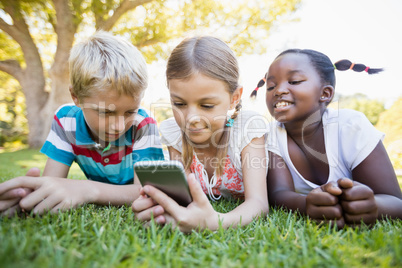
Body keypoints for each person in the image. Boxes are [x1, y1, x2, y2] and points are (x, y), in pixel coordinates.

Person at [0, 31, 164, 217]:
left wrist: (87, 190)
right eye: (105, 112)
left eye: (130, 111)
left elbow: (146, 192)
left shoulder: (143, 125)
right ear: (76, 97)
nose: (119, 125)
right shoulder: (66, 121)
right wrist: (30, 196)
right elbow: (53, 181)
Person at [132, 36, 269, 232]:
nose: (191, 118)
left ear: (234, 98)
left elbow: (258, 203)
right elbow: (184, 198)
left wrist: (216, 222)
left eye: (206, 105)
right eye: (179, 104)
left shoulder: (248, 129)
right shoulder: (174, 133)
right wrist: (161, 208)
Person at [252, 48, 402, 228]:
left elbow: (394, 200)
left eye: (294, 81)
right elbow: (278, 193)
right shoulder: (270, 136)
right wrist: (307, 205)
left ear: (325, 94)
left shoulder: (350, 126)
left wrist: (372, 206)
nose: (279, 90)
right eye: (271, 86)